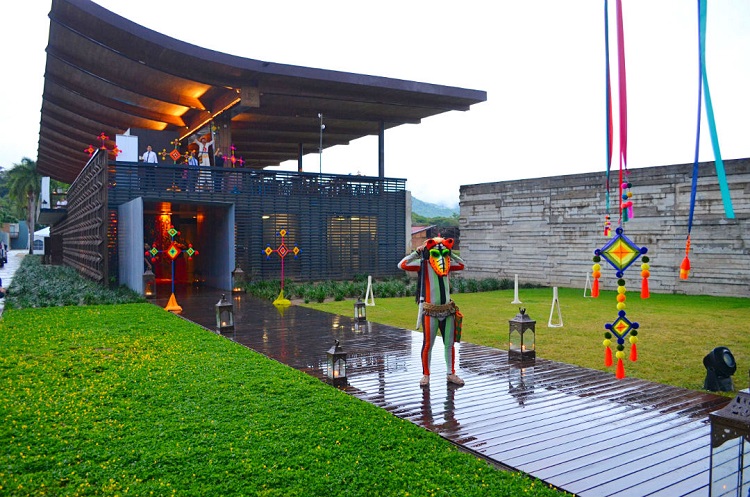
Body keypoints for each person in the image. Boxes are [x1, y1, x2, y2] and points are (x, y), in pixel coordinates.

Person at [398, 237, 466, 387]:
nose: (440, 256)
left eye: (444, 252)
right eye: (436, 252)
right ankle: (426, 375)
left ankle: (451, 373)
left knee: (449, 344)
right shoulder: (423, 264)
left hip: (448, 310)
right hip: (430, 311)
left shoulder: (447, 264)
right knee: (428, 344)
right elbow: (402, 264)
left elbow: (462, 264)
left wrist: (450, 253)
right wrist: (417, 253)